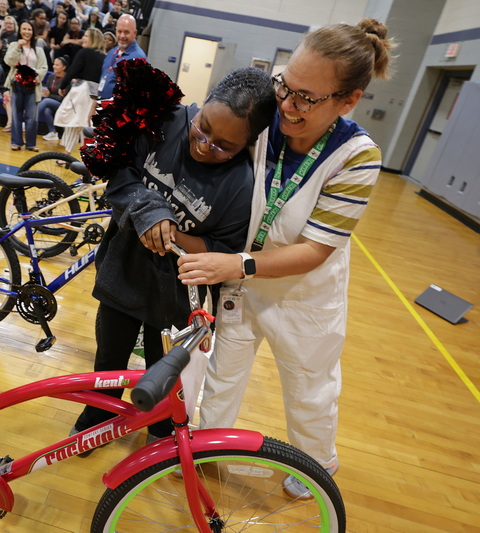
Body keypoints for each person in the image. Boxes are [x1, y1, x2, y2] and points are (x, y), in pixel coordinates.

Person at [178, 19, 395, 499]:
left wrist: (236, 263)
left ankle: (320, 464)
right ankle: (208, 449)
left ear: (348, 100)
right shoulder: (263, 118)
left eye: (307, 98)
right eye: (286, 86)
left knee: (309, 390)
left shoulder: (357, 157)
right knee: (222, 375)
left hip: (304, 296)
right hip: (242, 279)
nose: (288, 105)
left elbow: (315, 250)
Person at [70, 66, 277, 445]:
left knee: (163, 371)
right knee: (109, 358)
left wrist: (172, 235)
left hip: (176, 299)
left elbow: (223, 251)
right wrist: (148, 210)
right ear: (203, 102)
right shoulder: (163, 122)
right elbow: (120, 171)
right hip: (124, 273)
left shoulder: (241, 186)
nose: (204, 144)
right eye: (203, 127)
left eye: (223, 146)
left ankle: (162, 433)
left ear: (247, 144)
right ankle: (98, 413)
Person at [54, 26, 104, 152]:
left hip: (82, 90)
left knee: (73, 123)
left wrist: (63, 85)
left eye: (86, 36)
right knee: (87, 125)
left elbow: (72, 71)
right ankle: (87, 157)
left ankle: (66, 155)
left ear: (93, 39)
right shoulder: (104, 56)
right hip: (96, 94)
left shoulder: (84, 52)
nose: (83, 38)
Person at [4, 19, 47, 151]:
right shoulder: (13, 45)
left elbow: (44, 67)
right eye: (24, 29)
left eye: (29, 29)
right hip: (17, 84)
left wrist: (33, 75)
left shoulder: (38, 50)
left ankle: (31, 144)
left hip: (32, 85)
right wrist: (18, 47)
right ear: (20, 31)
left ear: (33, 32)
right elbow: (9, 61)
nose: (27, 32)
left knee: (32, 116)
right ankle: (16, 142)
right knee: (16, 114)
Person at [97, 13, 144, 100]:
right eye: (119, 31)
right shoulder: (112, 52)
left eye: (126, 32)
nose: (122, 36)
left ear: (135, 33)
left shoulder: (138, 58)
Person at [37, 55, 68, 141]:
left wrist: (49, 96)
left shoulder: (67, 80)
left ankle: (30, 119)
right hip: (53, 102)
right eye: (54, 64)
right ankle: (53, 132)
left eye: (57, 65)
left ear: (64, 67)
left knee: (46, 101)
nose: (54, 66)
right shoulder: (51, 76)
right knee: (47, 110)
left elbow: (64, 98)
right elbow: (48, 91)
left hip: (64, 104)